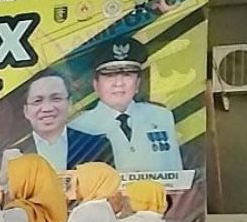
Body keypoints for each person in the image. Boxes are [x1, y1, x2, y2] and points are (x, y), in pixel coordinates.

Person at [70, 40, 183, 173]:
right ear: (96, 84)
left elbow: (176, 174)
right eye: (110, 75)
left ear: (137, 83)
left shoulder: (160, 116)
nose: (119, 83)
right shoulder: (79, 126)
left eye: (127, 75)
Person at [17, 70, 112, 170]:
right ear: (26, 110)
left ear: (69, 103)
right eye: (37, 101)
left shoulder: (96, 145)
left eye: (56, 99)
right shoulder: (14, 154)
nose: (47, 108)